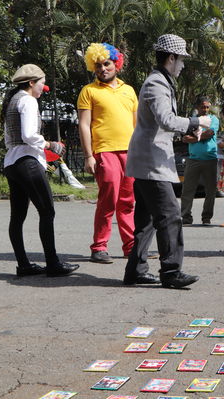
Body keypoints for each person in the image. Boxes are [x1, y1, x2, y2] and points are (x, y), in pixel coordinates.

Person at [123, 34, 212, 288]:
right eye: (181, 59)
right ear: (170, 58)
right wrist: (197, 122)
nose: (183, 65)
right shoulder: (156, 84)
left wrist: (184, 133)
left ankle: (135, 271)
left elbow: (162, 125)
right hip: (151, 164)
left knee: (147, 221)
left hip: (147, 161)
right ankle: (171, 272)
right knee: (171, 216)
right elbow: (166, 120)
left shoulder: (160, 82)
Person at [1, 64, 79, 277]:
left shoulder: (12, 100)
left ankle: (23, 265)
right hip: (28, 162)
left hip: (12, 162)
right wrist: (50, 145)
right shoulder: (27, 100)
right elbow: (28, 135)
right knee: (47, 211)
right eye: (43, 83)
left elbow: (11, 139)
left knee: (17, 216)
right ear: (32, 83)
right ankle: (53, 264)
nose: (44, 88)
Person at [77, 42, 137, 264]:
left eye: (107, 64)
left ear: (116, 64)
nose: (103, 69)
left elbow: (136, 124)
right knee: (108, 200)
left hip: (130, 152)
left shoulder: (129, 90)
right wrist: (88, 155)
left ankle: (131, 247)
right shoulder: (88, 91)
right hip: (104, 152)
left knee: (128, 202)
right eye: (98, 65)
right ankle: (99, 247)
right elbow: (84, 125)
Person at [180, 96, 220, 226]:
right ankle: (186, 218)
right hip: (193, 159)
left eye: (208, 107)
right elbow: (184, 138)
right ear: (197, 107)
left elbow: (209, 134)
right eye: (203, 107)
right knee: (187, 190)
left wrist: (194, 137)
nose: (206, 109)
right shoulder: (192, 121)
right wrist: (195, 137)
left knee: (210, 190)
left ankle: (206, 218)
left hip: (210, 159)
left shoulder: (213, 119)